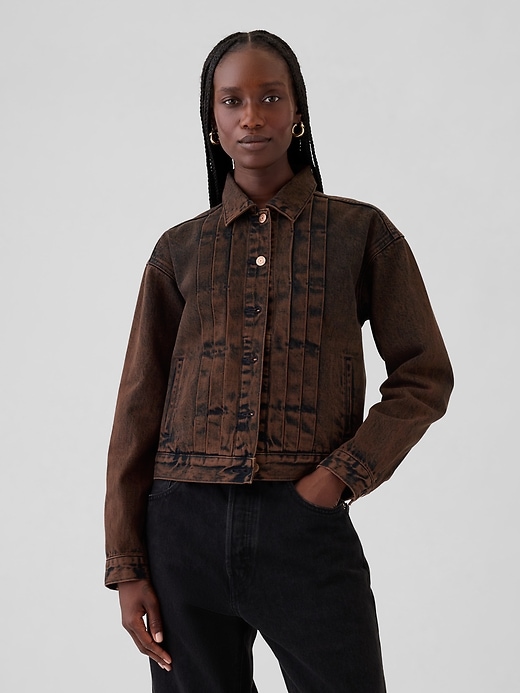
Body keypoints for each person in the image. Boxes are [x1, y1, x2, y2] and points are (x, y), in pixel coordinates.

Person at [104, 29, 454, 693]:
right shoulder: (179, 250)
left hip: (304, 526)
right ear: (211, 118)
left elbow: (424, 374)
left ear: (298, 111)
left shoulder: (360, 234)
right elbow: (138, 406)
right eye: (231, 100)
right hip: (182, 531)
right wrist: (127, 564)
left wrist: (338, 477)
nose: (251, 116)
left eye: (269, 97)